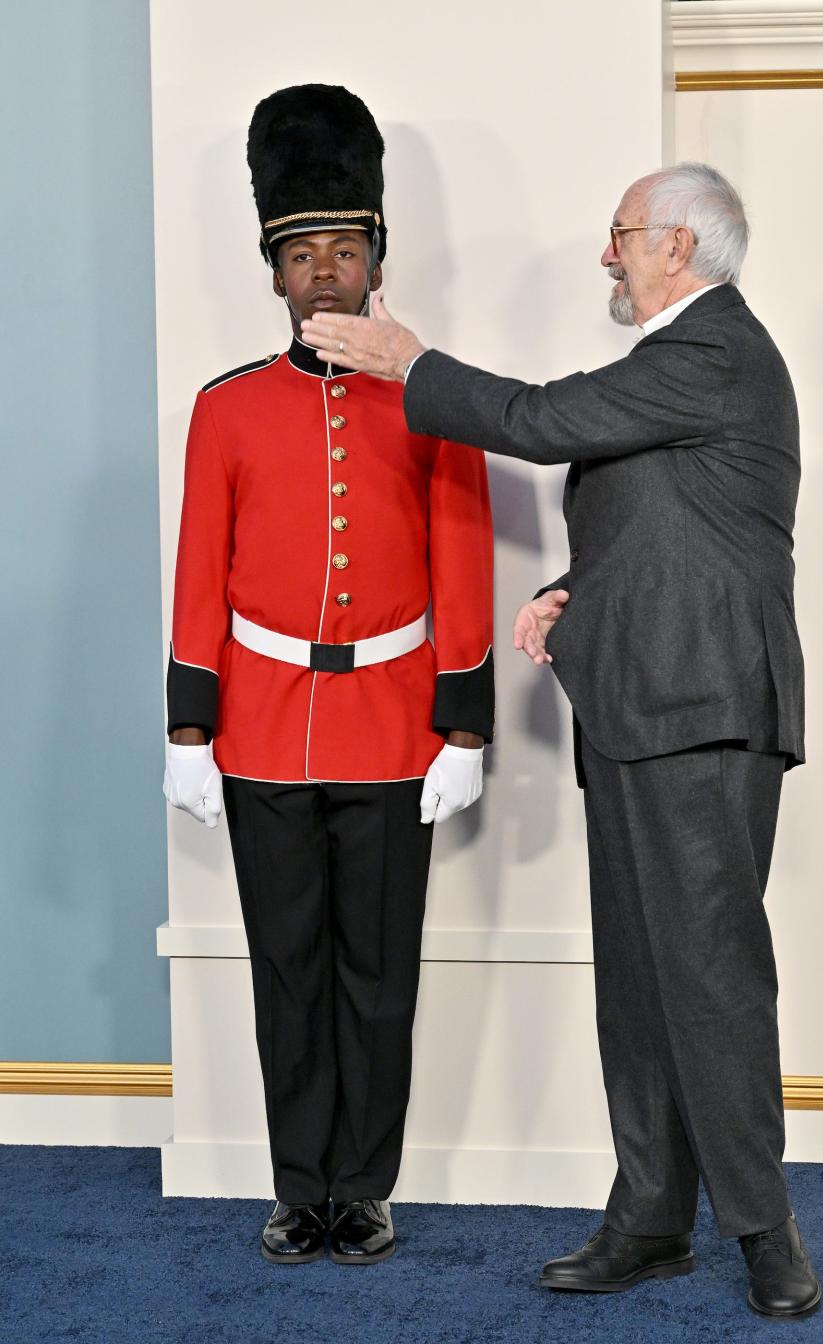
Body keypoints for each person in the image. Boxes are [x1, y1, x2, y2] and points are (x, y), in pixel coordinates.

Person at [298, 161, 822, 1318]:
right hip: (643, 698)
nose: (607, 255)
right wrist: (582, 590)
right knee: (639, 982)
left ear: (680, 247)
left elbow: (542, 420)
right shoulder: (682, 369)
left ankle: (764, 1229)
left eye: (622, 235)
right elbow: (685, 520)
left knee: (711, 978)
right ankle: (650, 1219)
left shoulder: (713, 348)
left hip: (703, 710)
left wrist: (410, 366)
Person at [162, 84, 494, 1267]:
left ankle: (366, 1187)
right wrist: (188, 727)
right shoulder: (228, 411)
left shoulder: (433, 401)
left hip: (396, 723)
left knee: (379, 976)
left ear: (373, 264)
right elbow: (202, 568)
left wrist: (465, 724)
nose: (322, 274)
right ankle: (299, 1186)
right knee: (287, 976)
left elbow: (464, 559)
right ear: (275, 273)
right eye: (301, 253)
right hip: (260, 726)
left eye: (343, 251)